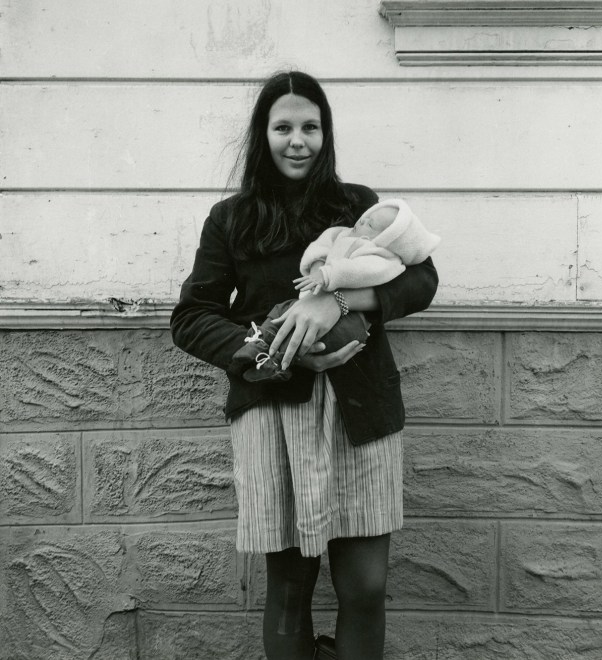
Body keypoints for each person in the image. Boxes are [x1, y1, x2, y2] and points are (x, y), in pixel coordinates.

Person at [170, 71, 438, 660]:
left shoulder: (359, 206)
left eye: (310, 127)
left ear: (326, 133)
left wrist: (333, 299)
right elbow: (192, 316)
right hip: (271, 410)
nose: (298, 140)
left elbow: (422, 278)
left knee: (365, 586)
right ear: (262, 135)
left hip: (359, 413)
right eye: (284, 126)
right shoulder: (232, 218)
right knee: (290, 587)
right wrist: (274, 348)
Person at [228, 198, 440, 382]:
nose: (362, 221)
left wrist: (333, 287)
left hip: (350, 323)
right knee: (281, 312)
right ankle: (259, 345)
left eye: (371, 225)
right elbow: (321, 245)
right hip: (304, 307)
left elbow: (362, 272)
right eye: (365, 218)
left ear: (386, 238)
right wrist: (316, 266)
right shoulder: (344, 234)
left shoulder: (383, 256)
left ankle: (276, 365)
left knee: (315, 336)